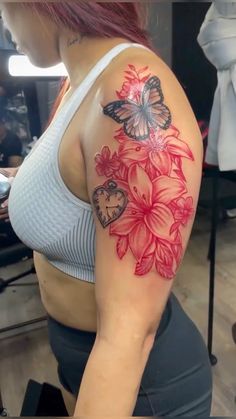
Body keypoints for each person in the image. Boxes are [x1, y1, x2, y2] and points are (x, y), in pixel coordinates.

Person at [0, 2, 212, 416]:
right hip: (79, 360)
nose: (6, 27)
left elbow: (129, 335)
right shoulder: (79, 80)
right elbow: (73, 177)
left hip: (144, 390)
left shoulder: (130, 90)